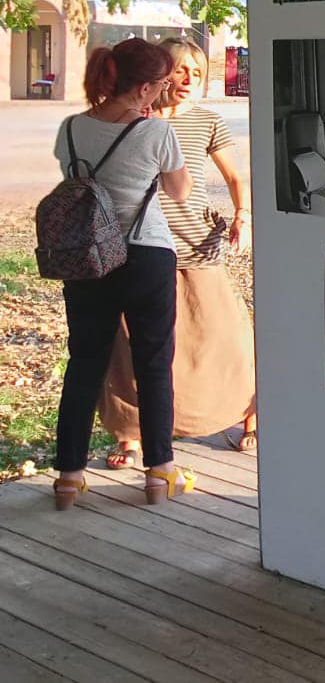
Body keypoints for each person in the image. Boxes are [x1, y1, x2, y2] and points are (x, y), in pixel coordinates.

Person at [49, 38, 198, 509]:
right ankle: (160, 472)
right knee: (153, 363)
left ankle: (69, 477)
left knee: (84, 362)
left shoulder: (72, 128)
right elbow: (180, 191)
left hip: (87, 257)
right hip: (146, 255)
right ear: (146, 87)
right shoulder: (156, 132)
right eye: (162, 84)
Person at [99, 40, 257, 468]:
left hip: (196, 243)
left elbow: (234, 177)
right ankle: (130, 435)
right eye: (181, 70)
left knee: (223, 336)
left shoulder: (207, 121)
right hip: (140, 246)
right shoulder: (131, 119)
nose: (189, 80)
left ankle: (249, 413)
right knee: (131, 342)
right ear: (159, 74)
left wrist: (242, 217)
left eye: (197, 73)